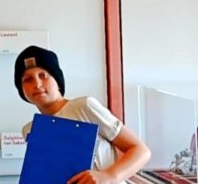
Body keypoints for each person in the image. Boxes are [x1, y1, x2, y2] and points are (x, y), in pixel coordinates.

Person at [15, 45, 151, 184]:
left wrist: (108, 176)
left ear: (57, 81)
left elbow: (141, 151)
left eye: (43, 76)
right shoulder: (30, 129)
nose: (37, 84)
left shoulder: (84, 107)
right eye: (27, 79)